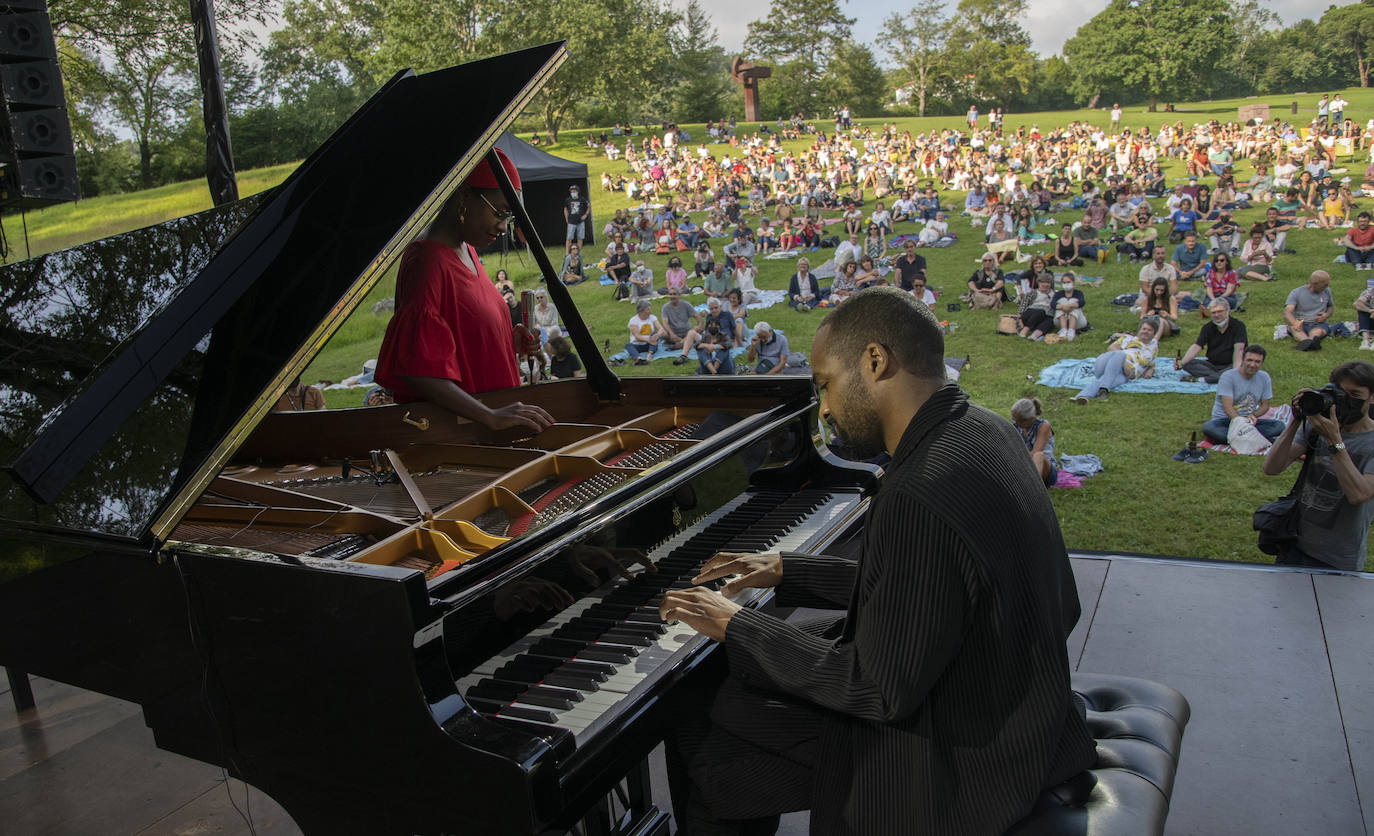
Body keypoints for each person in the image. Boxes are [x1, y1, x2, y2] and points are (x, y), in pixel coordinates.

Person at [661, 287, 1095, 834]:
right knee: (734, 679)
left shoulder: (921, 489)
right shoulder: (987, 430)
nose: (824, 408)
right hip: (1013, 699)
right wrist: (789, 569)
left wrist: (738, 624)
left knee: (707, 732)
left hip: (964, 755)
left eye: (825, 384)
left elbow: (876, 688)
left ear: (874, 360)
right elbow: (933, 582)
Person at [375, 148, 554, 433]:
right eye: (499, 213)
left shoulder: (467, 250)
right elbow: (416, 369)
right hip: (466, 437)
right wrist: (490, 416)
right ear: (463, 195)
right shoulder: (428, 261)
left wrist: (508, 342)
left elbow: (460, 342)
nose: (503, 227)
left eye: (509, 217)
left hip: (494, 432)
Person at [1262, 361, 1374, 571]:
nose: (1346, 400)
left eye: (1355, 394)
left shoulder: (1366, 441)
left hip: (1337, 558)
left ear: (1372, 398)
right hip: (1294, 543)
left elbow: (1359, 494)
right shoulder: (1318, 427)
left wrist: (1334, 440)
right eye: (1341, 392)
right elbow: (1272, 468)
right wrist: (1296, 420)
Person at [1203, 345, 1283, 443]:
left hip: (1249, 421)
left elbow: (1265, 405)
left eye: (1257, 362)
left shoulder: (1264, 377)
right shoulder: (1228, 377)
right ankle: (1254, 438)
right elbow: (1227, 407)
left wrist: (1253, 415)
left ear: (1262, 363)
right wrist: (1241, 422)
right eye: (1249, 360)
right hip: (1227, 421)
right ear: (1243, 359)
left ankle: (1235, 439)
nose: (1252, 365)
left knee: (1279, 426)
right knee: (1209, 427)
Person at [1073, 317, 1160, 404]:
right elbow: (1111, 348)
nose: (1145, 331)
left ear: (1154, 334)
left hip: (1126, 374)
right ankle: (1104, 388)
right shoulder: (1128, 338)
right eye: (1144, 329)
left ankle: (1083, 396)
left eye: (1149, 330)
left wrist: (1150, 371)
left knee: (1107, 379)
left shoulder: (1153, 347)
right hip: (1108, 363)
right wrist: (1124, 363)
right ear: (1139, 330)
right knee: (1120, 354)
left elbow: (1151, 363)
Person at [1181, 299, 1248, 383]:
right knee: (1187, 364)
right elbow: (1197, 346)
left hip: (1231, 364)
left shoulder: (1238, 326)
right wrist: (1181, 363)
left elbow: (1239, 350)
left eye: (1220, 311)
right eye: (1213, 312)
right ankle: (1218, 377)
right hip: (1212, 365)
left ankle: (1203, 379)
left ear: (1228, 311)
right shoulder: (1207, 328)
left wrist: (1235, 371)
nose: (1216, 315)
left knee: (1239, 368)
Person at [1011, 396, 1057, 485]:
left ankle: (1034, 488)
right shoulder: (1016, 427)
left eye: (1021, 421)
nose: (1017, 423)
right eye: (1014, 420)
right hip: (1024, 467)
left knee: (1038, 455)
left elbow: (1035, 452)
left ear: (1031, 418)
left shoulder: (1043, 426)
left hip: (1045, 469)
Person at [1285, 270, 1335, 351]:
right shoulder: (1297, 293)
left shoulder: (1327, 291)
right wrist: (1294, 323)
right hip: (1300, 321)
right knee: (1295, 329)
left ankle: (1310, 342)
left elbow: (1331, 307)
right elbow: (1288, 312)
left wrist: (1326, 315)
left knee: (1318, 331)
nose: (1327, 287)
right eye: (1324, 285)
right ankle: (1307, 342)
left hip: (1318, 323)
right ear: (1314, 283)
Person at [693, 296, 735, 375]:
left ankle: (714, 372)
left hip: (724, 368)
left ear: (719, 327)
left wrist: (715, 347)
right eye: (711, 325)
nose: (714, 310)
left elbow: (729, 344)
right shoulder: (705, 337)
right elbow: (696, 345)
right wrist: (707, 345)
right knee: (700, 349)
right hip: (707, 369)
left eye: (715, 325)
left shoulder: (724, 335)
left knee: (723, 349)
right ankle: (713, 372)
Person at [661, 289, 701, 362]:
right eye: (670, 294)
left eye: (674, 294)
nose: (672, 296)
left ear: (679, 295)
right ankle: (684, 343)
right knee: (662, 333)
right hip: (673, 334)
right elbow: (665, 322)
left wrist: (699, 325)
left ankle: (680, 344)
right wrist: (671, 333)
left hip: (686, 332)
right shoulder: (665, 307)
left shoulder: (686, 305)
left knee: (695, 329)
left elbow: (697, 316)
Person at [1017, 272, 1057, 340]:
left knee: (1050, 321)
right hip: (1030, 314)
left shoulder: (1054, 294)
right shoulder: (1033, 293)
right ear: (1039, 282)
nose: (1045, 285)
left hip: (1045, 316)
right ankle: (1025, 330)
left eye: (1048, 283)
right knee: (1040, 312)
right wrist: (1020, 318)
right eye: (1043, 282)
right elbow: (1023, 305)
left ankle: (1035, 335)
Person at [625, 299, 664, 365]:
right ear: (641, 311)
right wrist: (649, 340)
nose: (650, 311)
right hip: (637, 344)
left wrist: (657, 335)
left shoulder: (652, 317)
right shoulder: (633, 320)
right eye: (648, 309)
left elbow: (661, 329)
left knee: (654, 334)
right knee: (628, 345)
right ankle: (639, 359)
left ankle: (650, 354)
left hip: (649, 345)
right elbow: (637, 336)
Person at [1052, 274, 1087, 341]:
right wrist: (1063, 307)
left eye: (1068, 282)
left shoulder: (1078, 293)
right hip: (1060, 321)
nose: (1066, 284)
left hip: (1077, 322)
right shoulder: (1058, 294)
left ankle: (1071, 330)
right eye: (1064, 282)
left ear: (1073, 283)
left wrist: (1070, 306)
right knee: (1062, 301)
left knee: (1073, 301)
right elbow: (1053, 304)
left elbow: (1082, 302)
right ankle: (1063, 330)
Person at [564, 184, 589, 253]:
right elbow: (565, 209)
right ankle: (567, 253)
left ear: (577, 191)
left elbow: (588, 206)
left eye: (574, 191)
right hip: (571, 222)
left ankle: (578, 253)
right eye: (572, 191)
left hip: (580, 222)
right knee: (569, 238)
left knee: (580, 238)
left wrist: (586, 215)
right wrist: (566, 219)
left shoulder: (582, 199)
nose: (573, 193)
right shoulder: (568, 200)